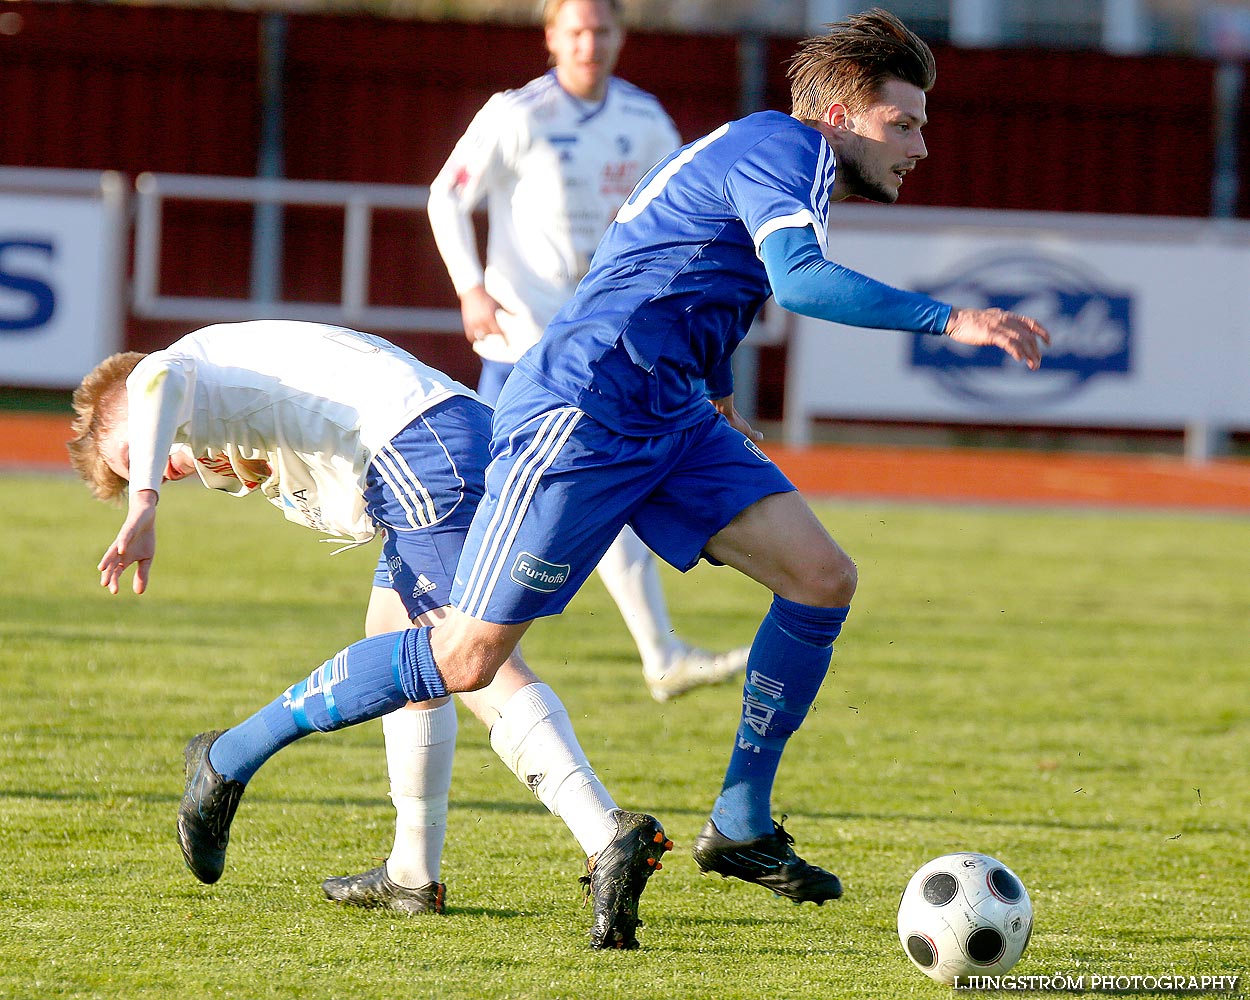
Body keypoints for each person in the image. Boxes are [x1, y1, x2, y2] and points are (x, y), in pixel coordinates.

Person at [170, 7, 1049, 938]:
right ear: (838, 114)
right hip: (585, 411)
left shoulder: (792, 158)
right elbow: (795, 279)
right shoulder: (781, 145)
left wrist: (712, 391)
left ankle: (741, 823)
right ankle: (230, 753)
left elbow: (683, 266)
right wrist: (951, 320)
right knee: (469, 655)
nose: (920, 145)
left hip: (671, 410)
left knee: (823, 578)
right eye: (903, 124)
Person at [67, 320, 672, 950]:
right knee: (394, 635)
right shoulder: (215, 407)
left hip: (417, 449)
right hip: (438, 443)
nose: (159, 473)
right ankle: (412, 873)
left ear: (131, 411)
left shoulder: (166, 371)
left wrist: (144, 504)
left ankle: (603, 832)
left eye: (137, 456)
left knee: (463, 654)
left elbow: (155, 379)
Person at [426, 0, 748, 704]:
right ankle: (439, 625)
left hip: (609, 347)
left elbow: (683, 214)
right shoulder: (516, 113)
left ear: (620, 36)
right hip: (525, 347)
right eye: (574, 29)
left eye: (601, 29)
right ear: (550, 38)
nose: (588, 42)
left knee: (592, 493)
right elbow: (445, 199)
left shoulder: (645, 120)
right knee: (493, 494)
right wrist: (471, 289)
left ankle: (652, 651)